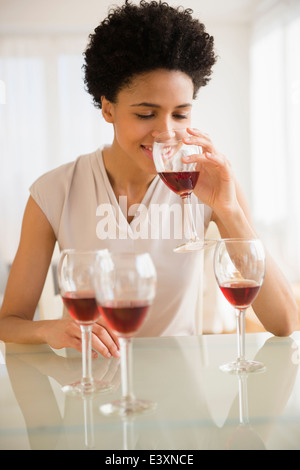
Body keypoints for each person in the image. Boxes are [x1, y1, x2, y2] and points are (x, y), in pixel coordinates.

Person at [0, 0, 298, 359]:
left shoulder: (210, 185)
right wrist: (50, 329)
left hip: (181, 396)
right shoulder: (53, 192)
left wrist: (230, 210)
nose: (165, 132)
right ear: (108, 108)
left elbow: (285, 321)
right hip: (90, 393)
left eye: (181, 113)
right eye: (145, 113)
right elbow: (10, 320)